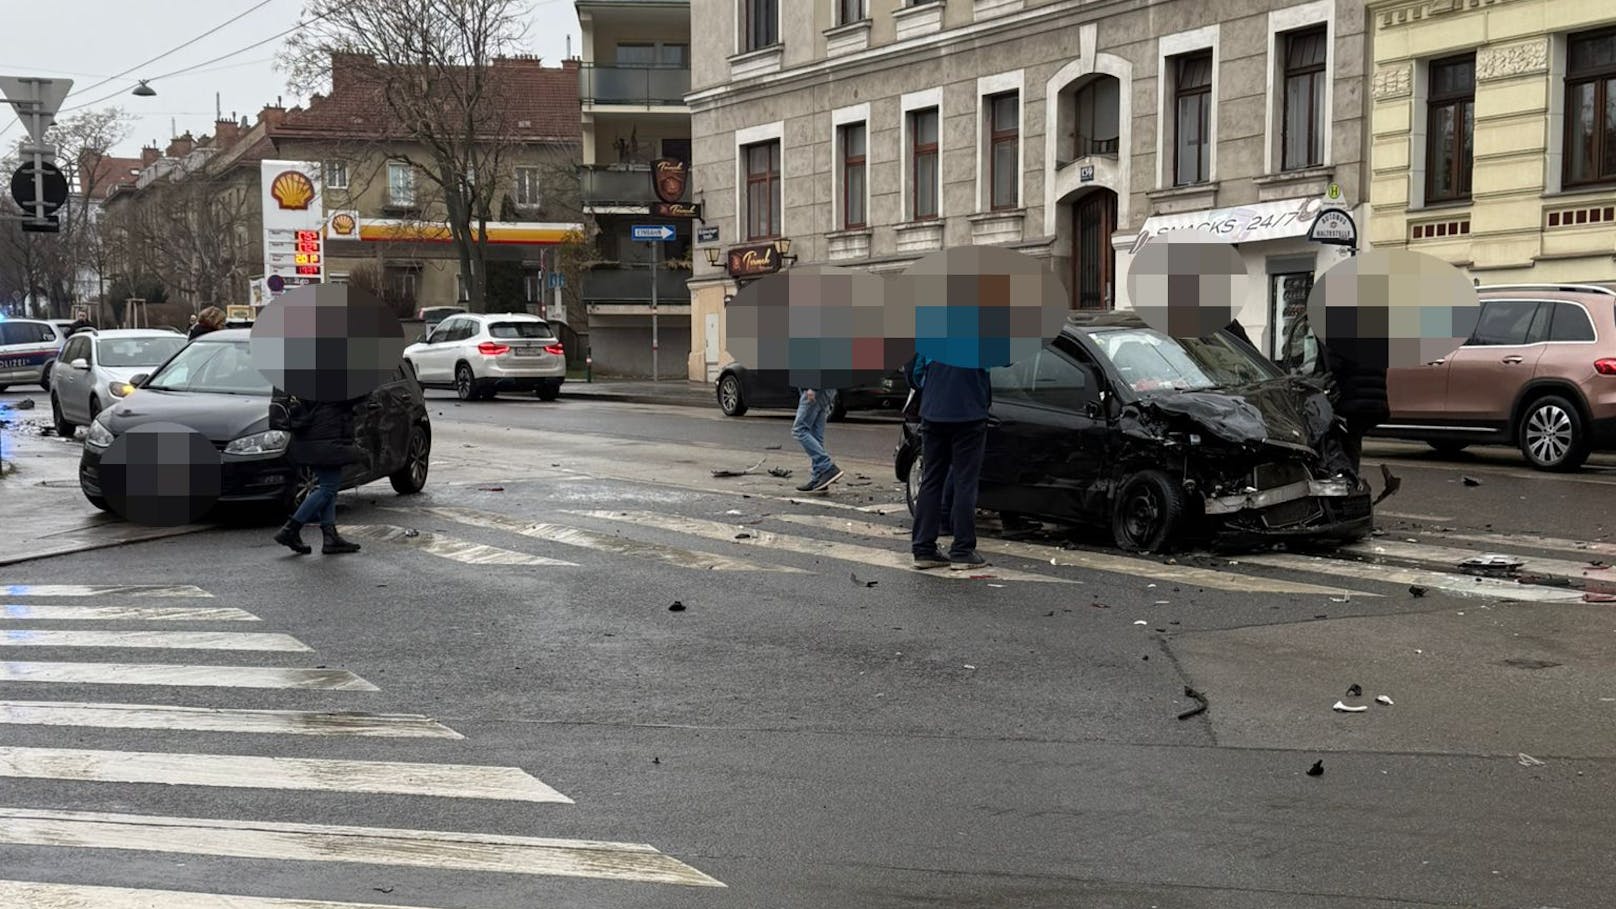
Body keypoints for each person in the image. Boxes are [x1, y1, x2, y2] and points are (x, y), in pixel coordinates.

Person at [910, 354, 993, 570]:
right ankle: (962, 550)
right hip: (969, 411)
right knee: (965, 481)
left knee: (931, 480)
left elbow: (915, 373)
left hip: (933, 410)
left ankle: (923, 548)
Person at [270, 387, 365, 555]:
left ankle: (330, 537)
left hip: (307, 435)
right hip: (326, 436)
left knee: (328, 485)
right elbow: (353, 396)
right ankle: (290, 530)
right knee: (328, 487)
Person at [1323, 335, 1389, 476]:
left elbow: (1334, 364)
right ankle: (1352, 479)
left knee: (1343, 443)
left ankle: (1349, 482)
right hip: (1373, 399)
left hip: (1352, 399)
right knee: (1353, 441)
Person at [791, 386, 843, 493]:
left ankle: (826, 467)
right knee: (815, 434)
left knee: (799, 430)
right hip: (826, 389)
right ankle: (819, 477)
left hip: (815, 389)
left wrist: (811, 387)